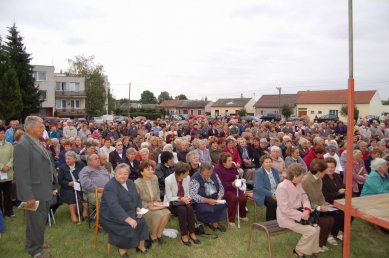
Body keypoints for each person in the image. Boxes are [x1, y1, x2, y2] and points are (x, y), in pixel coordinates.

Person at [14, 116, 57, 258]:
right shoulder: (23, 145)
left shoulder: (36, 142)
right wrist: (28, 196)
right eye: (41, 127)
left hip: (43, 189)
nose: (43, 129)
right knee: (37, 222)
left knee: (36, 222)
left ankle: (33, 242)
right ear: (31, 128)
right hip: (35, 192)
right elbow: (21, 174)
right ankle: (36, 251)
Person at [100, 163, 149, 257]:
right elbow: (114, 206)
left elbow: (137, 197)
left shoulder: (130, 182)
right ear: (115, 173)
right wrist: (128, 219)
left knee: (141, 222)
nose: (123, 176)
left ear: (128, 174)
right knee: (127, 225)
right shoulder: (110, 186)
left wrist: (138, 208)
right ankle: (122, 250)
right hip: (111, 216)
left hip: (128, 210)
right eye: (120, 173)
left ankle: (141, 246)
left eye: (125, 173)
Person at [276, 163, 320, 258]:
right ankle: (299, 250)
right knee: (311, 231)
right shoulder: (282, 187)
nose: (303, 178)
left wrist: (307, 210)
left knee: (317, 228)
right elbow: (285, 209)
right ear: (294, 176)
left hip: (300, 213)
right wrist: (302, 214)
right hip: (286, 218)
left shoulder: (298, 183)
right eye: (301, 176)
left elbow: (304, 197)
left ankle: (310, 250)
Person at [301, 159, 335, 252]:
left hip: (316, 208)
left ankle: (321, 244)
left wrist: (324, 203)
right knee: (324, 222)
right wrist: (319, 207)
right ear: (319, 172)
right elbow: (303, 201)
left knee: (331, 220)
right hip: (306, 210)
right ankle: (316, 245)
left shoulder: (319, 179)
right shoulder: (305, 181)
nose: (326, 172)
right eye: (324, 171)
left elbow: (320, 195)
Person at [135, 160, 171, 244]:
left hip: (154, 203)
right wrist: (149, 204)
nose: (151, 171)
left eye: (152, 169)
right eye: (148, 169)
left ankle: (159, 234)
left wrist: (158, 201)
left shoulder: (154, 178)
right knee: (159, 214)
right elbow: (137, 200)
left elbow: (158, 191)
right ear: (142, 172)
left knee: (167, 213)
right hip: (144, 207)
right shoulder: (137, 183)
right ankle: (153, 235)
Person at [164, 162, 200, 246]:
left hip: (183, 201)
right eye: (187, 172)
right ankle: (184, 234)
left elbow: (187, 192)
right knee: (182, 210)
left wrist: (187, 198)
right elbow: (169, 197)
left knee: (190, 208)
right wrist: (181, 198)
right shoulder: (168, 180)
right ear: (181, 173)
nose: (188, 173)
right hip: (172, 203)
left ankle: (191, 232)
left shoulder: (187, 177)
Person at [189, 162, 227, 232]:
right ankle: (209, 222)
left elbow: (221, 187)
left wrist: (219, 198)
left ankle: (214, 222)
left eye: (210, 172)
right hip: (201, 201)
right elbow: (193, 195)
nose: (209, 175)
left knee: (222, 205)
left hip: (214, 198)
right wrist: (207, 200)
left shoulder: (214, 174)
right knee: (209, 208)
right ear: (201, 171)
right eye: (207, 173)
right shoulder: (195, 178)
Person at [214, 152, 247, 228]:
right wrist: (231, 184)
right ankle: (231, 220)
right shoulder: (217, 169)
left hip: (234, 187)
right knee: (234, 198)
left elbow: (236, 176)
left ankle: (242, 215)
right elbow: (220, 183)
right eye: (229, 160)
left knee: (243, 198)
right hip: (223, 190)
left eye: (231, 160)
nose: (231, 162)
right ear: (223, 162)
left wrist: (238, 181)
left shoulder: (232, 167)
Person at [322, 157, 348, 241]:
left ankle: (340, 230)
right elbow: (325, 196)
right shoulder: (322, 178)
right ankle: (332, 233)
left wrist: (345, 188)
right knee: (340, 214)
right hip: (328, 202)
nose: (330, 169)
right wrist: (339, 192)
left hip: (339, 201)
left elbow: (341, 186)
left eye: (332, 167)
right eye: (328, 167)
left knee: (350, 214)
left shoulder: (336, 175)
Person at [58, 151, 87, 223]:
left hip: (80, 185)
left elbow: (85, 175)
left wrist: (80, 182)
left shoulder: (81, 165)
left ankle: (85, 212)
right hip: (68, 188)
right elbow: (60, 181)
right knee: (71, 195)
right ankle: (73, 215)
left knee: (84, 194)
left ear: (74, 159)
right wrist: (68, 183)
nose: (67, 160)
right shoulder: (62, 168)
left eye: (69, 159)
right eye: (66, 159)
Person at [253, 155, 280, 221]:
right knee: (273, 202)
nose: (269, 163)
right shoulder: (259, 172)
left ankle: (278, 218)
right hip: (263, 194)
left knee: (284, 199)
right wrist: (271, 195)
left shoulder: (275, 171)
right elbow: (259, 188)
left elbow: (278, 183)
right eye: (266, 162)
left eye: (270, 162)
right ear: (262, 163)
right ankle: (270, 221)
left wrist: (278, 193)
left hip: (275, 192)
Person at [0, 127, 15, 217]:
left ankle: (9, 211)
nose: (1, 135)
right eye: (0, 133)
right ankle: (0, 213)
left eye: (2, 133)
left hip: (8, 173)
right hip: (0, 172)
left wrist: (8, 166)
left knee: (7, 194)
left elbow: (13, 157)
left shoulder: (9, 145)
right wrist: (1, 167)